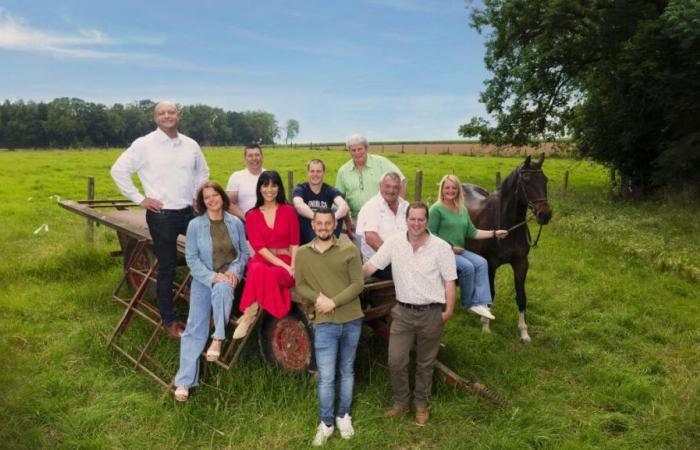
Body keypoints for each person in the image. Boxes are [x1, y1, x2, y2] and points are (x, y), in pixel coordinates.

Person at [110, 100, 209, 339]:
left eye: (171, 112)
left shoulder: (190, 144)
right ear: (155, 118)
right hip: (161, 216)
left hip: (190, 213)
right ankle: (170, 319)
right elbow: (118, 170)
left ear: (178, 115)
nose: (167, 116)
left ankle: (208, 310)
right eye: (161, 113)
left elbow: (203, 171)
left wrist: (198, 196)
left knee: (206, 258)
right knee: (167, 266)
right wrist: (140, 198)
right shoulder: (144, 144)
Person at [362, 202, 457, 427]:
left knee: (426, 363)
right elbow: (370, 267)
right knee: (396, 360)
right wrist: (347, 281)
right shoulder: (394, 243)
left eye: (420, 219)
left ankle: (421, 404)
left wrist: (449, 310)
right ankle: (401, 402)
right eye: (412, 219)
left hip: (431, 312)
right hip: (403, 312)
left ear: (427, 221)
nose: (416, 224)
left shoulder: (441, 247)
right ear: (406, 220)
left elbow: (450, 281)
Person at [173, 182, 249, 402]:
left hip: (228, 276)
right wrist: (211, 277)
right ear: (202, 202)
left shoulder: (234, 223)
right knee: (194, 328)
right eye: (207, 197)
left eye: (215, 195)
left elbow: (243, 253)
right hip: (203, 280)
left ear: (222, 197)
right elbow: (192, 258)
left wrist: (234, 271)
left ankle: (217, 337)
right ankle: (184, 382)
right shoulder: (195, 225)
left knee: (224, 289)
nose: (212, 200)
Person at [294, 208, 364, 446]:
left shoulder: (349, 250)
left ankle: (343, 415)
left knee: (347, 371)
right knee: (326, 377)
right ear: (313, 226)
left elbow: (358, 284)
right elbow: (300, 285)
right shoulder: (303, 253)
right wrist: (318, 299)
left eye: (328, 223)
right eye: (319, 223)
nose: (323, 227)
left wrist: (333, 301)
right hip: (324, 323)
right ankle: (326, 423)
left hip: (352, 319)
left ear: (335, 225)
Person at [428, 175, 508, 320]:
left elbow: (473, 232)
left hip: (459, 251)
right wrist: (450, 248)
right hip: (441, 252)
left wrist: (495, 233)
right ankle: (469, 303)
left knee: (482, 262)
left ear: (459, 190)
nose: (450, 191)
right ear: (442, 190)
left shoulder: (462, 209)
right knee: (468, 267)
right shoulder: (436, 209)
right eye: (447, 188)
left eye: (454, 188)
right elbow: (430, 235)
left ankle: (481, 304)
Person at [233, 170, 300, 339]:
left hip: (287, 258)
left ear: (279, 188)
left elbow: (295, 243)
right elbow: (259, 248)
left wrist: (293, 265)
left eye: (274, 185)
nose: (269, 189)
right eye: (265, 185)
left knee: (270, 273)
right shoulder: (252, 215)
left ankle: (248, 313)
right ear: (259, 188)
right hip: (263, 258)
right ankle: (250, 314)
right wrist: (284, 265)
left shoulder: (289, 210)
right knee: (256, 268)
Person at [335, 134, 406, 246]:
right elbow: (339, 199)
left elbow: (402, 180)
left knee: (386, 249)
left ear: (366, 148)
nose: (357, 153)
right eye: (353, 150)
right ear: (349, 151)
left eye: (360, 149)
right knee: (362, 254)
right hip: (357, 218)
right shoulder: (343, 171)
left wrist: (397, 208)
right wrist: (348, 222)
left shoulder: (381, 162)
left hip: (383, 216)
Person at [355, 171, 409, 279]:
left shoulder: (406, 206)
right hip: (378, 264)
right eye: (387, 186)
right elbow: (371, 238)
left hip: (406, 259)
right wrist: (395, 258)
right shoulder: (371, 206)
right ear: (380, 186)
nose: (391, 191)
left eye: (395, 187)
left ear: (400, 189)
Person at [292, 159, 349, 244]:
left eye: (318, 171)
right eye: (312, 171)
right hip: (307, 234)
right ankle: (319, 245)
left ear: (323, 173)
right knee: (303, 214)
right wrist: (316, 218)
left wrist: (333, 218)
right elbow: (298, 205)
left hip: (324, 230)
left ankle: (331, 245)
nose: (315, 174)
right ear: (308, 173)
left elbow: (344, 206)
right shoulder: (301, 188)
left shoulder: (329, 190)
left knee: (335, 211)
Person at [226, 143, 266, 220]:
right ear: (245, 158)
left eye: (257, 155)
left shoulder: (269, 175)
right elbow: (229, 203)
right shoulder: (236, 177)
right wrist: (245, 218)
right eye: (250, 156)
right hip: (244, 222)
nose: (254, 158)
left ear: (262, 157)